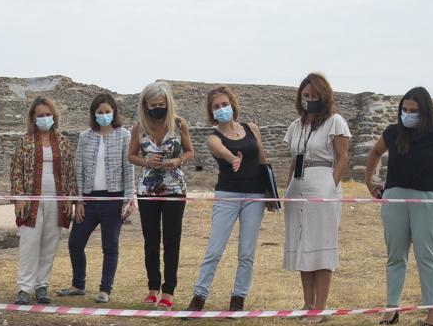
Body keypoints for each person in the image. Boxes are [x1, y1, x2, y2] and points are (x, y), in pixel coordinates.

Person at [364, 87, 433, 326]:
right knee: (395, 255)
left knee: (427, 256)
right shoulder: (392, 132)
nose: (408, 114)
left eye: (414, 111)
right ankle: (391, 308)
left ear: (425, 111)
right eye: (405, 110)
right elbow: (375, 152)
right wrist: (369, 182)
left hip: (428, 199)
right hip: (395, 198)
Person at [189, 86, 273, 312]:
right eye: (216, 107)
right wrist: (232, 158)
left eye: (224, 104)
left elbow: (262, 160)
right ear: (211, 112)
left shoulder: (251, 128)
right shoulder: (213, 137)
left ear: (232, 104)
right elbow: (219, 150)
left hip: (255, 195)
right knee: (214, 249)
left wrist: (270, 192)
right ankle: (199, 296)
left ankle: (238, 299)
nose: (221, 109)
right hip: (228, 195)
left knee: (246, 252)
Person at [282, 73, 351, 322]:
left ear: (324, 96)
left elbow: (342, 157)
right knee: (303, 244)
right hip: (298, 184)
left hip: (322, 182)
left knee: (320, 244)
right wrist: (286, 188)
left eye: (314, 95)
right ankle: (307, 304)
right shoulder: (296, 126)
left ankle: (319, 308)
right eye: (306, 95)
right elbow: (293, 160)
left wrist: (331, 185)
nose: (310, 99)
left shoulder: (335, 122)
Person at [58, 94, 136, 303]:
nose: (103, 115)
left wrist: (129, 199)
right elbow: (79, 169)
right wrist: (80, 200)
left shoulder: (124, 135)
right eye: (99, 112)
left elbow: (128, 169)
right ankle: (78, 284)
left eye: (107, 112)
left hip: (114, 198)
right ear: (94, 114)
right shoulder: (85, 137)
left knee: (110, 245)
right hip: (90, 200)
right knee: (75, 242)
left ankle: (105, 289)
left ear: (114, 112)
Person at [128, 82, 194, 308]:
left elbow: (189, 151)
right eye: (153, 105)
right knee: (151, 240)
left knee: (172, 240)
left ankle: (169, 290)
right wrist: (146, 161)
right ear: (145, 106)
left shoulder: (178, 124)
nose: (157, 108)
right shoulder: (138, 128)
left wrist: (178, 160)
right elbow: (131, 156)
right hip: (147, 190)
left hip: (175, 188)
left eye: (161, 104)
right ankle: (152, 287)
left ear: (168, 104)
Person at [9, 97, 78, 305]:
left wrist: (69, 197)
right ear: (33, 118)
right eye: (41, 115)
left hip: (56, 200)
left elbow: (69, 171)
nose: (45, 118)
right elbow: (16, 171)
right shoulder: (25, 141)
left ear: (54, 116)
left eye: (48, 115)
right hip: (31, 200)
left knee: (49, 244)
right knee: (29, 243)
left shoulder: (63, 142)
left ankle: (41, 286)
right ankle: (23, 288)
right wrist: (19, 197)